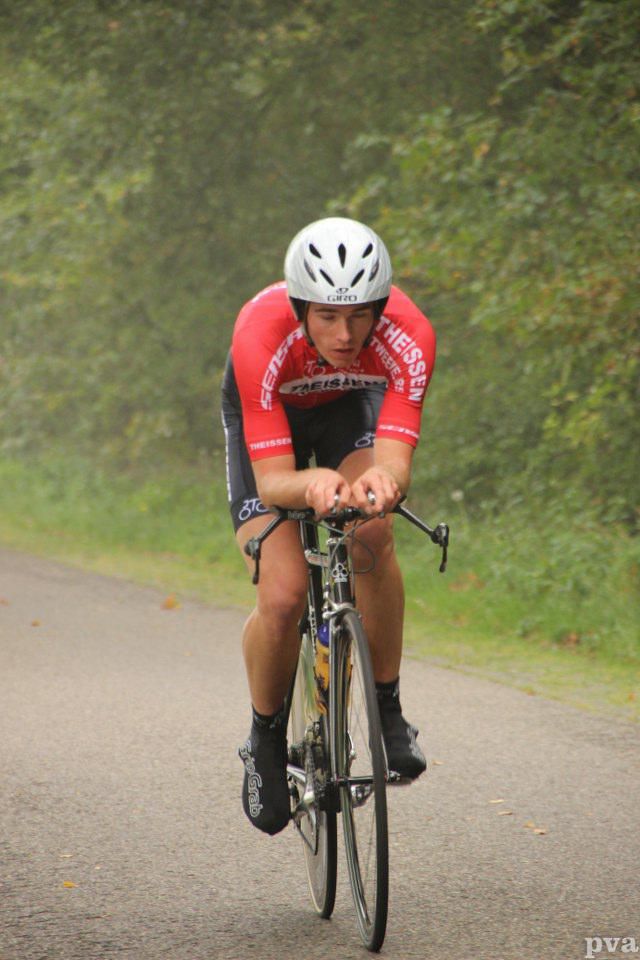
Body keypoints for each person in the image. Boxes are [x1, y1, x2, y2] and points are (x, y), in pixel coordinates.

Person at [221, 216, 436, 835]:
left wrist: (383, 483)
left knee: (372, 533)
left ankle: (387, 712)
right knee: (284, 592)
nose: (345, 335)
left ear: (380, 309)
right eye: (326, 316)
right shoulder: (260, 333)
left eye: (360, 316)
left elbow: (394, 463)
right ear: (299, 309)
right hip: (271, 420)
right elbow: (273, 482)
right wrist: (311, 482)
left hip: (346, 407)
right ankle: (265, 738)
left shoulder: (410, 334)